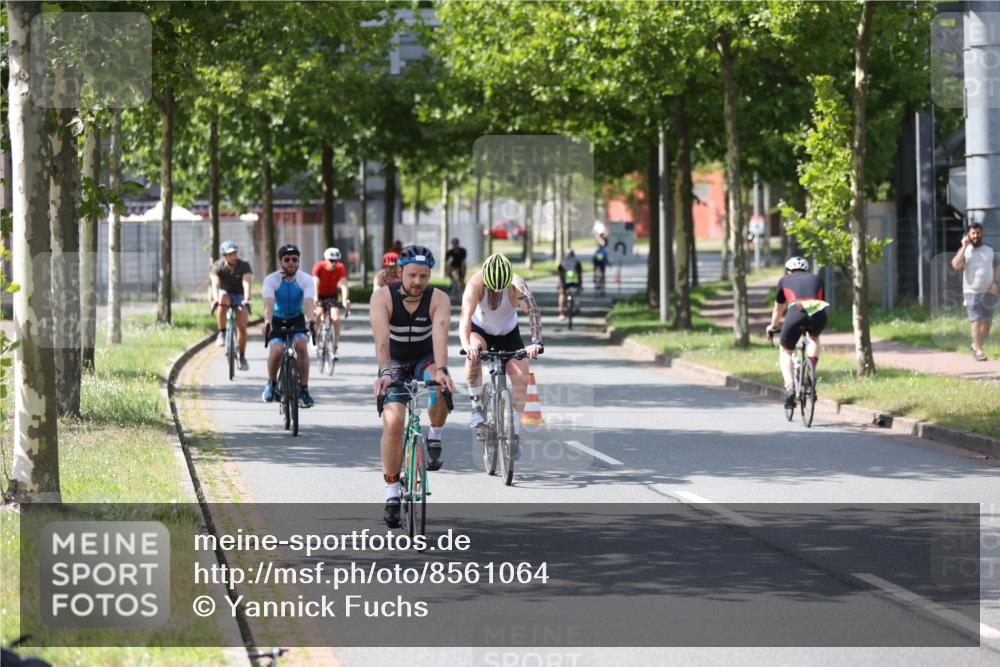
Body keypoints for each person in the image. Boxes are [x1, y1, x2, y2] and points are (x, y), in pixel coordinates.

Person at [370, 245, 455, 528]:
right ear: (400, 273)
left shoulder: (438, 299)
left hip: (424, 357)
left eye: (424, 276)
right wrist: (384, 372)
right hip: (394, 361)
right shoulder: (383, 297)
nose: (418, 282)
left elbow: (440, 335)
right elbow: (382, 341)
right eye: (412, 275)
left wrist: (441, 370)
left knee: (438, 386)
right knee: (393, 422)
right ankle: (392, 493)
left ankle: (435, 437)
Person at [459, 253, 544, 459]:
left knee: (522, 376)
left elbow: (532, 311)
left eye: (501, 288)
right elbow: (464, 318)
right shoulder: (475, 284)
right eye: (492, 288)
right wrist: (466, 345)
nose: (496, 292)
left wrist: (536, 342)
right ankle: (476, 406)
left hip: (509, 334)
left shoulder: (517, 286)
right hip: (481, 331)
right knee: (474, 355)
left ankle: (513, 432)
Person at [765, 256, 829, 409]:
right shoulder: (817, 279)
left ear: (788, 270)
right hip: (817, 312)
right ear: (806, 269)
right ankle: (811, 370)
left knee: (785, 351)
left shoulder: (784, 280)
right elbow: (820, 300)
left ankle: (790, 388)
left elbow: (778, 308)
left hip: (796, 312)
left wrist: (772, 326)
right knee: (813, 337)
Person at [262, 244, 316, 408]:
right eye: (287, 259)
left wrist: (311, 321)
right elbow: (269, 304)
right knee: (277, 350)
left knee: (301, 346)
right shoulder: (271, 279)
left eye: (294, 259)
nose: (291, 262)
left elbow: (308, 302)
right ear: (281, 262)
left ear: (299, 261)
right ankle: (271, 382)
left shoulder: (305, 279)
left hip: (296, 318)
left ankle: (304, 389)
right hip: (277, 319)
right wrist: (267, 322)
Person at [950, 222, 1000, 361]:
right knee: (976, 320)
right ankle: (978, 350)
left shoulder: (989, 250)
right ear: (968, 235)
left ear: (981, 233)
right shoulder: (965, 251)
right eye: (973, 233)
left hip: (989, 291)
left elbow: (997, 267)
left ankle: (975, 345)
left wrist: (995, 283)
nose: (976, 236)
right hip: (971, 291)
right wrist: (964, 246)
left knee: (987, 323)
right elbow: (955, 265)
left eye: (978, 233)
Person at [209, 241, 253, 370]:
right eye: (229, 255)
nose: (233, 257)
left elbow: (247, 284)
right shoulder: (218, 266)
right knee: (222, 299)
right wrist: (216, 299)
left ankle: (242, 356)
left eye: (234, 253)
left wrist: (246, 300)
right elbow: (215, 284)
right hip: (225, 293)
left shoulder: (244, 266)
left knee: (242, 327)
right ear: (224, 256)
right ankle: (221, 333)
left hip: (240, 295)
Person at [312, 247, 351, 361]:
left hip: (332, 295)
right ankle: (313, 337)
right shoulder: (319, 266)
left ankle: (335, 348)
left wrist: (344, 300)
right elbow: (315, 282)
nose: (334, 263)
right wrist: (316, 297)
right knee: (318, 313)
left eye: (336, 260)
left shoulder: (340, 268)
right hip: (320, 294)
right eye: (331, 260)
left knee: (336, 318)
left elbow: (344, 285)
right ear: (326, 259)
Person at [557, 249, 583, 321]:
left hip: (565, 282)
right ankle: (576, 306)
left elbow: (560, 275)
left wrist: (559, 285)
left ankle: (562, 313)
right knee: (577, 292)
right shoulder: (577, 262)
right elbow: (580, 274)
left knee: (562, 294)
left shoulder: (562, 263)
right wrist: (580, 285)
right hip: (575, 282)